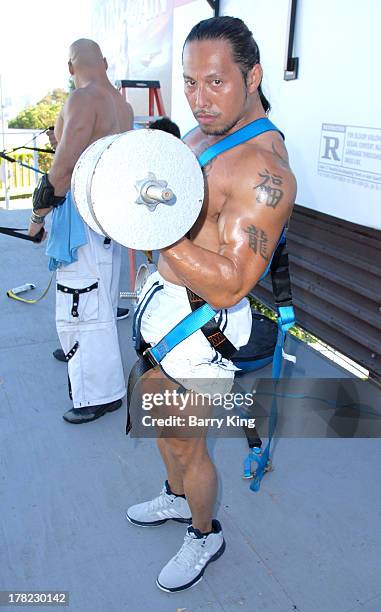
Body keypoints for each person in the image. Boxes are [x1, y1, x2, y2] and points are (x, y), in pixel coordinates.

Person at [126, 16, 296, 593]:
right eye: (190, 82)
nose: (199, 99)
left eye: (215, 82)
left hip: (202, 325)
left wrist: (154, 224)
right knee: (162, 427)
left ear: (254, 77)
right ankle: (175, 499)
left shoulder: (265, 170)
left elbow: (230, 284)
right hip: (163, 303)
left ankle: (205, 531)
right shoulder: (202, 132)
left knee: (188, 443)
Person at [28, 39, 134, 423]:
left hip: (81, 218)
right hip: (107, 218)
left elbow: (62, 169)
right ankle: (77, 347)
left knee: (82, 304)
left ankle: (98, 395)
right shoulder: (123, 105)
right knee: (100, 296)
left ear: (71, 67)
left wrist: (38, 218)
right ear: (103, 62)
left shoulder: (82, 98)